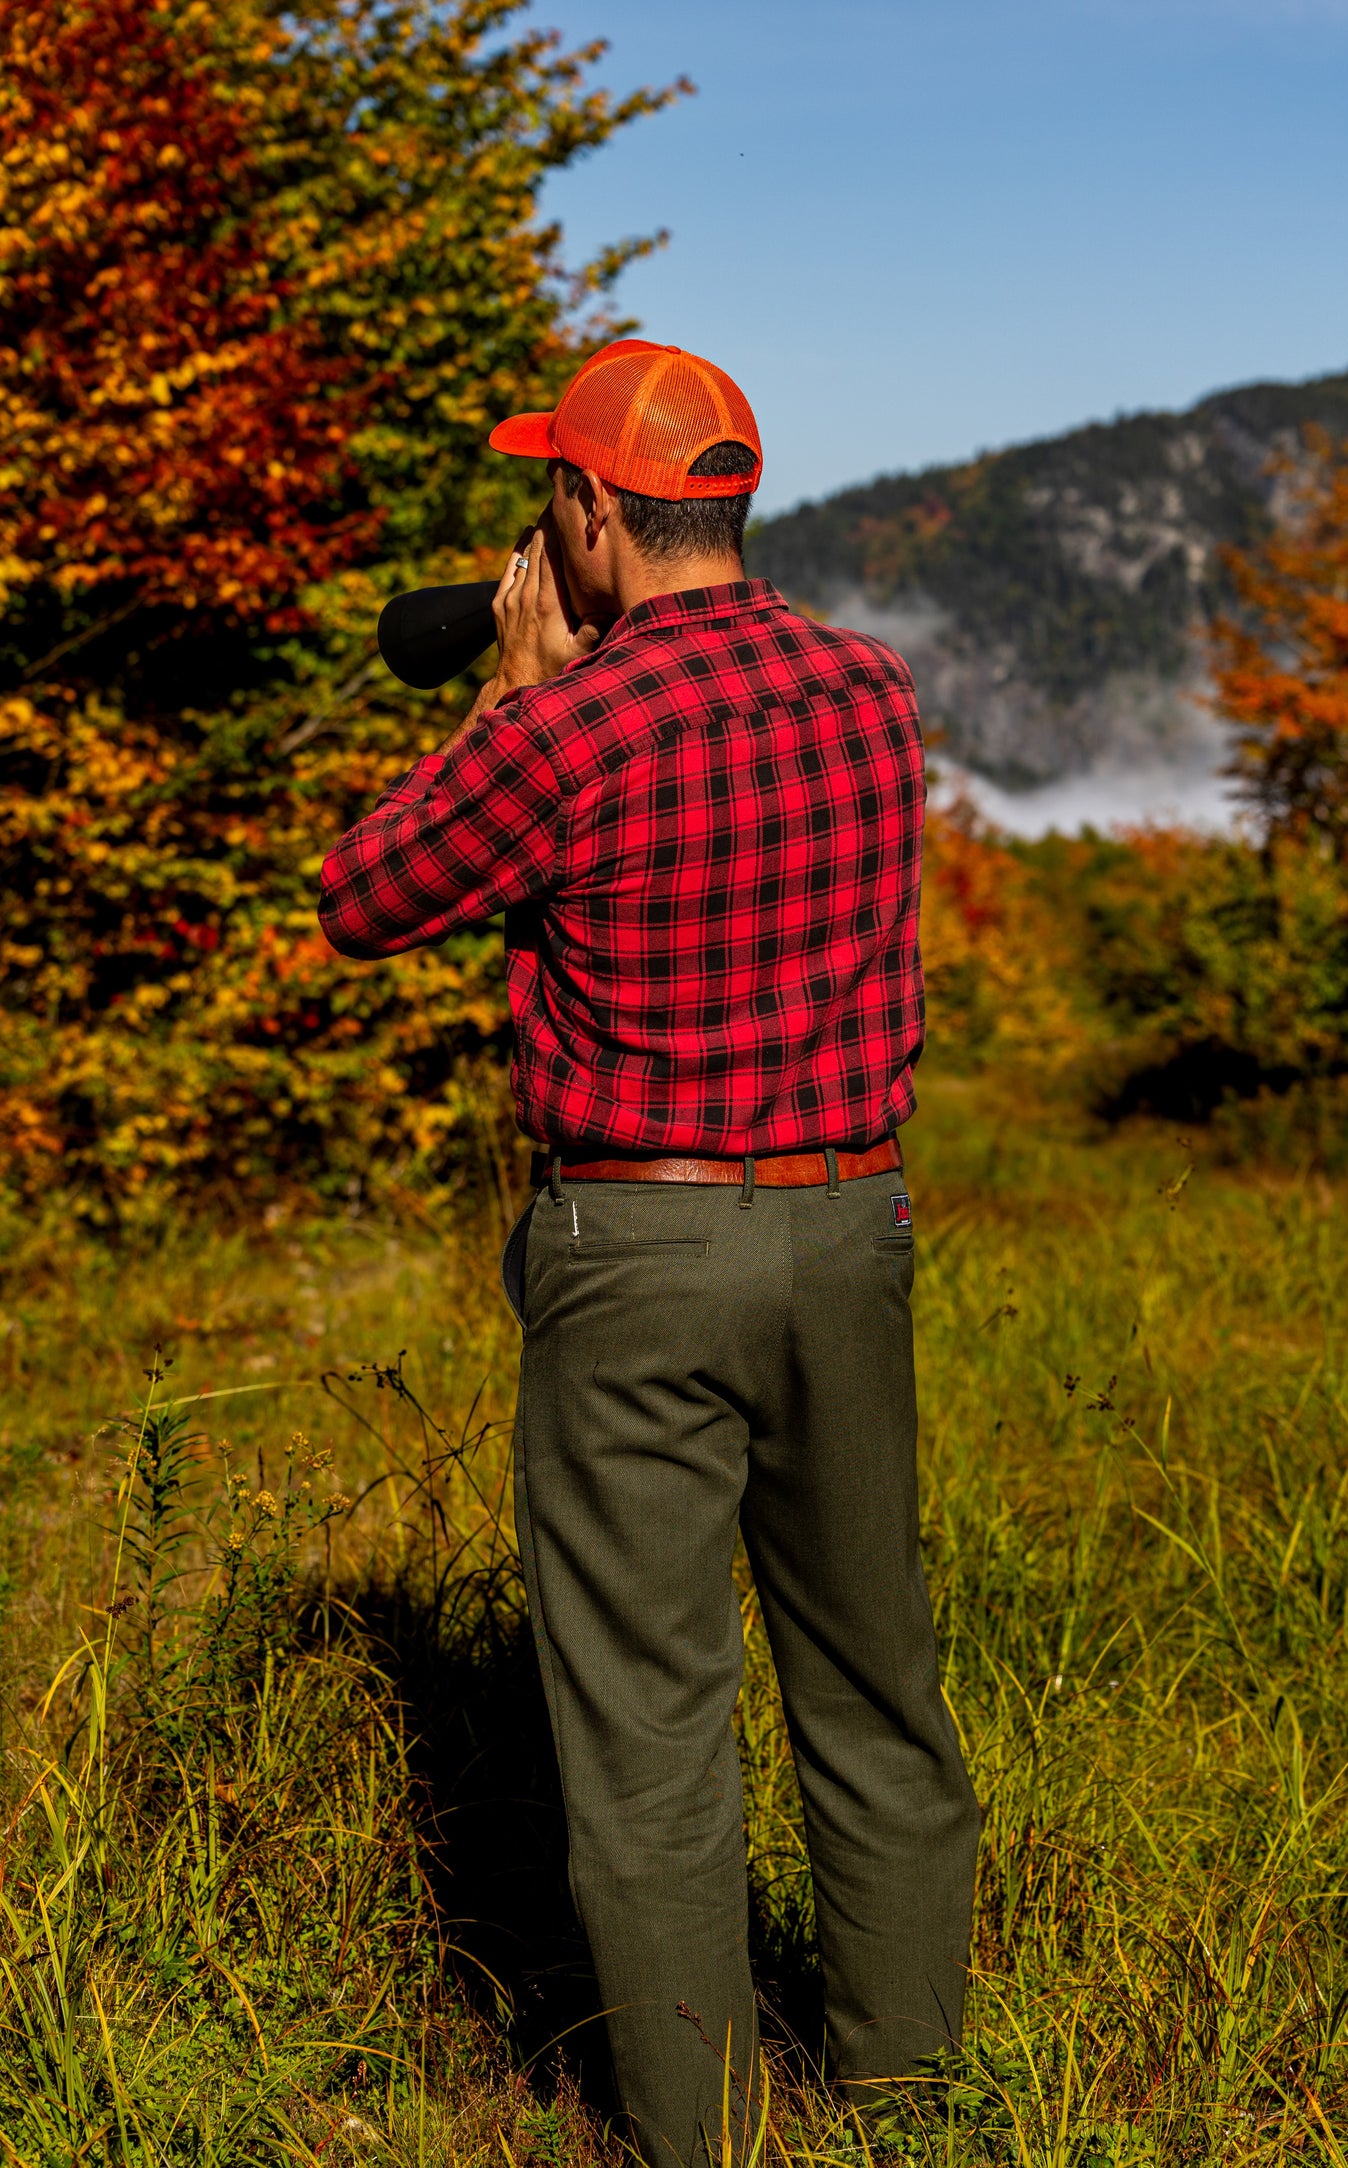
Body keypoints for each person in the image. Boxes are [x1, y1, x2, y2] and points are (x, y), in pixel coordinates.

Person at [318, 339, 980, 2168]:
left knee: (647, 1718)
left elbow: (359, 899)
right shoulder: (874, 692)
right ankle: (903, 2086)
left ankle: (696, 2135)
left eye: (557, 497)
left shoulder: (568, 731)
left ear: (595, 511)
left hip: (640, 1240)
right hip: (852, 1220)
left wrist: (513, 701)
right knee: (870, 1670)